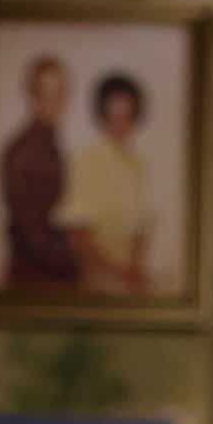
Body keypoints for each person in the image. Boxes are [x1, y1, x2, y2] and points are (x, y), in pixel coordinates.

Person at [62, 67, 157, 294]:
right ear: (102, 114)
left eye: (127, 116)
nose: (121, 124)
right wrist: (119, 274)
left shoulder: (138, 164)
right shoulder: (86, 161)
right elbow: (78, 235)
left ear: (136, 115)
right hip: (97, 281)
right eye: (114, 116)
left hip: (130, 283)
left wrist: (134, 271)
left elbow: (139, 228)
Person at [0, 50, 79, 291]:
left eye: (60, 93)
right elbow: (31, 233)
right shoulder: (24, 150)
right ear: (32, 96)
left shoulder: (49, 142)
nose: (56, 102)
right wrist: (79, 263)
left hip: (43, 266)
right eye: (46, 94)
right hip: (32, 274)